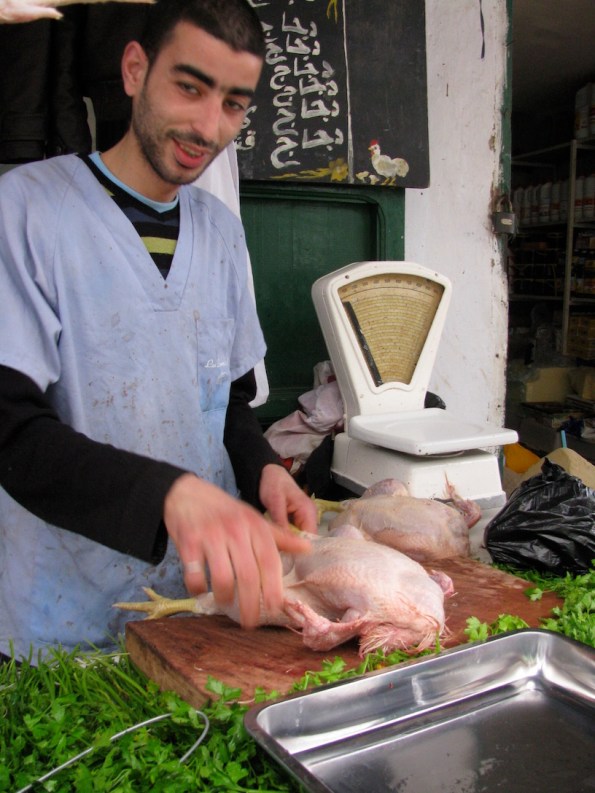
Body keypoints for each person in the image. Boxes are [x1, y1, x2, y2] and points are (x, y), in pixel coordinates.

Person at [0, 0, 317, 661]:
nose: (208, 126)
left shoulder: (222, 232)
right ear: (135, 69)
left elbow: (222, 397)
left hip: (193, 608)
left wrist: (261, 469)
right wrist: (168, 494)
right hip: (57, 623)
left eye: (233, 103)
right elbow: (10, 431)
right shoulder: (24, 208)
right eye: (190, 86)